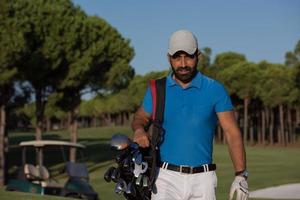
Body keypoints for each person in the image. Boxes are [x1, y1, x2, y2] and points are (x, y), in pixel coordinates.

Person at [131, 29, 248, 200]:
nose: (183, 63)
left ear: (198, 55)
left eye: (189, 56)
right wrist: (139, 130)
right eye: (177, 57)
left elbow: (231, 132)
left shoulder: (214, 89)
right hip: (164, 178)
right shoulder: (157, 89)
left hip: (203, 180)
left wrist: (241, 175)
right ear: (169, 58)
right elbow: (140, 118)